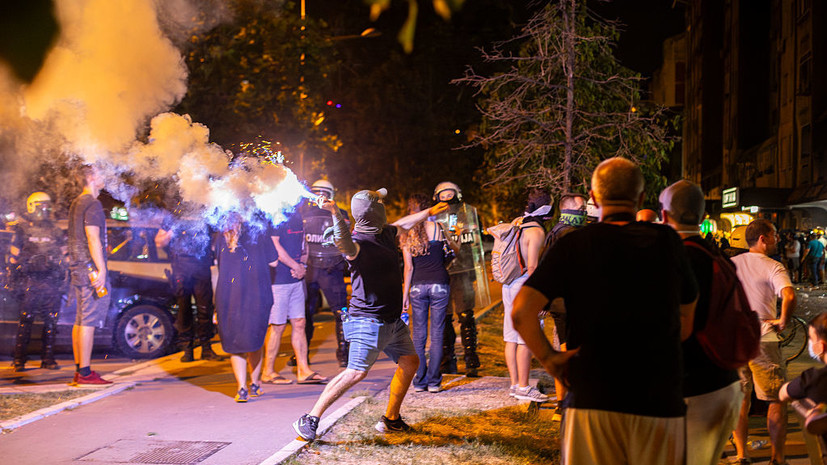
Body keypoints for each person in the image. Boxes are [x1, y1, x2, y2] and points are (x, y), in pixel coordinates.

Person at [512, 157, 698, 465]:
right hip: (658, 396)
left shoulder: (574, 244)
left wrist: (551, 359)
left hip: (591, 395)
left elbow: (521, 311)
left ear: (594, 198)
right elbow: (686, 322)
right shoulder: (668, 243)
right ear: (640, 198)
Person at [292, 188, 448, 441]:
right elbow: (343, 243)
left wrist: (429, 211)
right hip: (368, 320)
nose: (385, 207)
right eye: (381, 203)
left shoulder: (384, 233)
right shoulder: (357, 243)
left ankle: (391, 420)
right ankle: (310, 419)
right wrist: (334, 212)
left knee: (410, 362)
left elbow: (403, 223)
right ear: (374, 211)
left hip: (392, 320)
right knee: (356, 372)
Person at [660, 180, 743, 465]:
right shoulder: (718, 255)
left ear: (664, 215)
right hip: (726, 384)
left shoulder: (672, 258)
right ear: (703, 216)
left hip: (691, 389)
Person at [730, 218, 796, 465]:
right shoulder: (773, 266)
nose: (777, 238)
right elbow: (789, 295)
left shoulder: (730, 264)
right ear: (763, 239)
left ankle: (741, 454)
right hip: (763, 338)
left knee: (740, 397)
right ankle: (777, 458)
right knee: (776, 398)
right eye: (774, 234)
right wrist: (783, 320)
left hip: (735, 339)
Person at [493, 188, 551, 403]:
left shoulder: (518, 222)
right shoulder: (536, 231)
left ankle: (515, 384)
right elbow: (533, 267)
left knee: (511, 337)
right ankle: (524, 388)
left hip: (509, 284)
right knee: (526, 338)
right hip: (524, 286)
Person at [214, 212, 280, 402]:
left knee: (235, 342)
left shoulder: (221, 235)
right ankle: (255, 384)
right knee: (255, 338)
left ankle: (241, 388)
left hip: (228, 295)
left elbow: (218, 264)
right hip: (256, 293)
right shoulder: (258, 231)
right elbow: (274, 261)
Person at [401, 193, 458, 393]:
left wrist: (405, 295)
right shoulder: (439, 228)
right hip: (439, 284)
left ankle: (420, 381)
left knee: (418, 335)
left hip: (417, 286)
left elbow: (408, 268)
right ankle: (434, 382)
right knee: (437, 333)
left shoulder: (407, 234)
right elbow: (453, 251)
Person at [262, 209, 327, 384]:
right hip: (278, 280)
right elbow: (275, 246)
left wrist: (302, 266)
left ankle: (303, 370)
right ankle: (268, 371)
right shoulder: (276, 216)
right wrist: (295, 266)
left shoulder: (298, 216)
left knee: (299, 323)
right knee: (278, 325)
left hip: (296, 279)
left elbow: (303, 244)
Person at [542, 192, 588, 421]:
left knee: (563, 350)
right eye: (581, 210)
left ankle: (562, 404)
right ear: (568, 210)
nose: (585, 213)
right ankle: (566, 405)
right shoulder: (569, 235)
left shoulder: (555, 232)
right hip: (569, 306)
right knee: (569, 353)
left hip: (560, 306)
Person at [9, 192, 66, 371]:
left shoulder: (55, 231)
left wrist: (59, 270)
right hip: (30, 282)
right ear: (32, 207)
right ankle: (19, 359)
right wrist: (16, 277)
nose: (46, 210)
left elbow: (64, 256)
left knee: (51, 321)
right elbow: (13, 258)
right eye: (43, 206)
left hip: (50, 282)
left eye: (48, 206)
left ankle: (48, 358)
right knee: (26, 319)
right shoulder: (22, 230)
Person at [155, 215, 223, 362]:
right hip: (181, 269)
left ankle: (206, 348)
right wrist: (172, 231)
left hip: (201, 267)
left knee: (205, 309)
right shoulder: (173, 217)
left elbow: (216, 238)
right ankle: (187, 350)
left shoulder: (205, 215)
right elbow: (159, 242)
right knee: (184, 310)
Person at [68, 165, 112, 385]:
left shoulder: (77, 202)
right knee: (88, 319)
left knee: (80, 318)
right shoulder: (93, 204)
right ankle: (85, 373)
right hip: (89, 269)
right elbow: (92, 237)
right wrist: (101, 269)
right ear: (92, 177)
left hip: (78, 268)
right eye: (101, 172)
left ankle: (80, 370)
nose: (105, 176)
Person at [433, 181, 481, 377]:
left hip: (462, 271)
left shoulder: (467, 214)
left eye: (450, 194)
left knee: (466, 316)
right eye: (442, 195)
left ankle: (471, 359)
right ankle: (447, 360)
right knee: (444, 318)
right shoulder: (434, 217)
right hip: (442, 273)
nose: (446, 199)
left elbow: (474, 242)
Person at [300, 179, 350, 368]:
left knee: (307, 314)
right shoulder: (340, 214)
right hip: (328, 269)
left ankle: (303, 354)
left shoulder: (303, 213)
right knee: (339, 312)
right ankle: (343, 353)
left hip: (314, 269)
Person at [780, 312, 827, 464]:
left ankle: (814, 411)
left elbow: (782, 394)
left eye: (811, 339)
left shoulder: (813, 379)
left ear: (821, 346)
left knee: (799, 400)